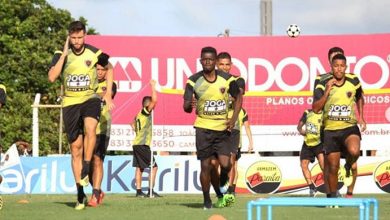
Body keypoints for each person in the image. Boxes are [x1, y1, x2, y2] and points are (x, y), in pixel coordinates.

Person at [48, 21, 114, 210]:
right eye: (73, 38)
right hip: (70, 102)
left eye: (80, 37)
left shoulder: (95, 52)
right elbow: (52, 77)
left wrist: (108, 92)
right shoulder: (60, 55)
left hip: (89, 98)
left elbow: (110, 68)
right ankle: (79, 192)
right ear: (69, 36)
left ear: (85, 36)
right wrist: (64, 52)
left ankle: (86, 166)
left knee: (91, 127)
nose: (77, 41)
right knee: (75, 147)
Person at [183, 47, 242, 209]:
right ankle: (207, 200)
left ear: (215, 62)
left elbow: (239, 98)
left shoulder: (227, 79)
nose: (207, 62)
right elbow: (186, 106)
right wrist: (189, 105)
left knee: (226, 165)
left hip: (222, 129)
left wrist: (233, 119)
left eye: (210, 59)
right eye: (204, 59)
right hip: (203, 129)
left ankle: (222, 184)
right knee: (206, 166)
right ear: (200, 61)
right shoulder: (193, 80)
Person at [313, 54, 366, 199]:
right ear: (331, 67)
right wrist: (327, 92)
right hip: (330, 130)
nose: (339, 69)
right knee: (333, 168)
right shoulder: (323, 82)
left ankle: (348, 166)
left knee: (354, 151)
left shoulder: (353, 81)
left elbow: (360, 97)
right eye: (336, 66)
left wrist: (361, 117)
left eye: (342, 66)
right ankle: (331, 197)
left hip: (349, 127)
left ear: (346, 67)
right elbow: (316, 109)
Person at [215, 52, 253, 205]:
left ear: (231, 65)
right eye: (222, 64)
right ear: (217, 65)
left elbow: (239, 95)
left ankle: (231, 190)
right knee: (217, 161)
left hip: (233, 125)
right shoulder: (212, 81)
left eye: (227, 64)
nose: (224, 67)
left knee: (231, 160)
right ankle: (223, 183)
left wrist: (221, 95)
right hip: (216, 124)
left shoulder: (238, 80)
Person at [87, 53, 117, 207]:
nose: (99, 72)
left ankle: (95, 194)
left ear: (107, 71)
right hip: (87, 129)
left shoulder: (111, 84)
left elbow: (107, 95)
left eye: (102, 69)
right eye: (97, 69)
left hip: (102, 128)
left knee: (98, 159)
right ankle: (97, 190)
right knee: (87, 162)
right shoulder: (88, 83)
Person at [131, 80, 161, 198]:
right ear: (147, 105)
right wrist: (153, 87)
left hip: (137, 143)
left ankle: (139, 192)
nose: (153, 107)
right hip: (142, 144)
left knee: (140, 167)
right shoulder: (145, 112)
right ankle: (150, 191)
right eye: (151, 106)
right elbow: (155, 100)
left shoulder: (139, 114)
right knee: (154, 167)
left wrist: (138, 131)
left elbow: (132, 123)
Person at [297, 109, 324, 197]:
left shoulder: (325, 113)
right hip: (307, 143)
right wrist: (300, 129)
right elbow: (299, 126)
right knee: (303, 165)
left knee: (323, 165)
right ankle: (312, 187)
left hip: (320, 143)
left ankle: (333, 189)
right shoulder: (307, 112)